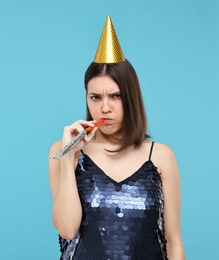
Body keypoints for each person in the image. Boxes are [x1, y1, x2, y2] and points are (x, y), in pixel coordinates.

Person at [48, 16, 185, 259]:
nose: (105, 107)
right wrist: (69, 156)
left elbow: (172, 241)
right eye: (95, 97)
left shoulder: (161, 156)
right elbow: (67, 230)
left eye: (116, 96)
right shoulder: (62, 151)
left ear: (130, 98)